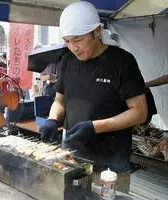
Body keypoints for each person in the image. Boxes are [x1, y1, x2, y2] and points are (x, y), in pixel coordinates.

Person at [39, 1, 147, 194]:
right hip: (71, 161)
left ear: (97, 32)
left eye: (78, 40)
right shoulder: (67, 61)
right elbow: (59, 101)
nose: (73, 47)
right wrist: (52, 119)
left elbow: (140, 112)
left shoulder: (122, 62)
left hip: (110, 167)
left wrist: (94, 127)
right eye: (67, 40)